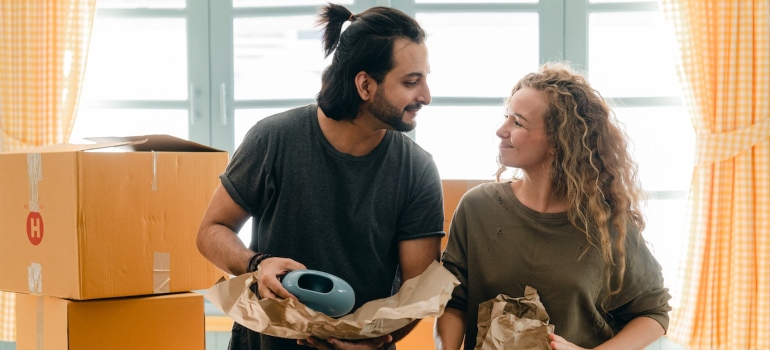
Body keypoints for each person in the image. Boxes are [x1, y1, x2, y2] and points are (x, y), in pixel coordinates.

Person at [196, 4, 444, 350]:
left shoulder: (418, 170)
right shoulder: (273, 139)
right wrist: (257, 264)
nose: (426, 96)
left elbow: (417, 295)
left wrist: (373, 342)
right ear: (365, 85)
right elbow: (211, 232)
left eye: (425, 78)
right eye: (411, 82)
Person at [434, 62, 672, 350]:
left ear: (559, 142)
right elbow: (453, 301)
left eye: (517, 122)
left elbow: (652, 312)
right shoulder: (477, 208)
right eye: (506, 117)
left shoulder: (605, 223)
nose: (501, 130)